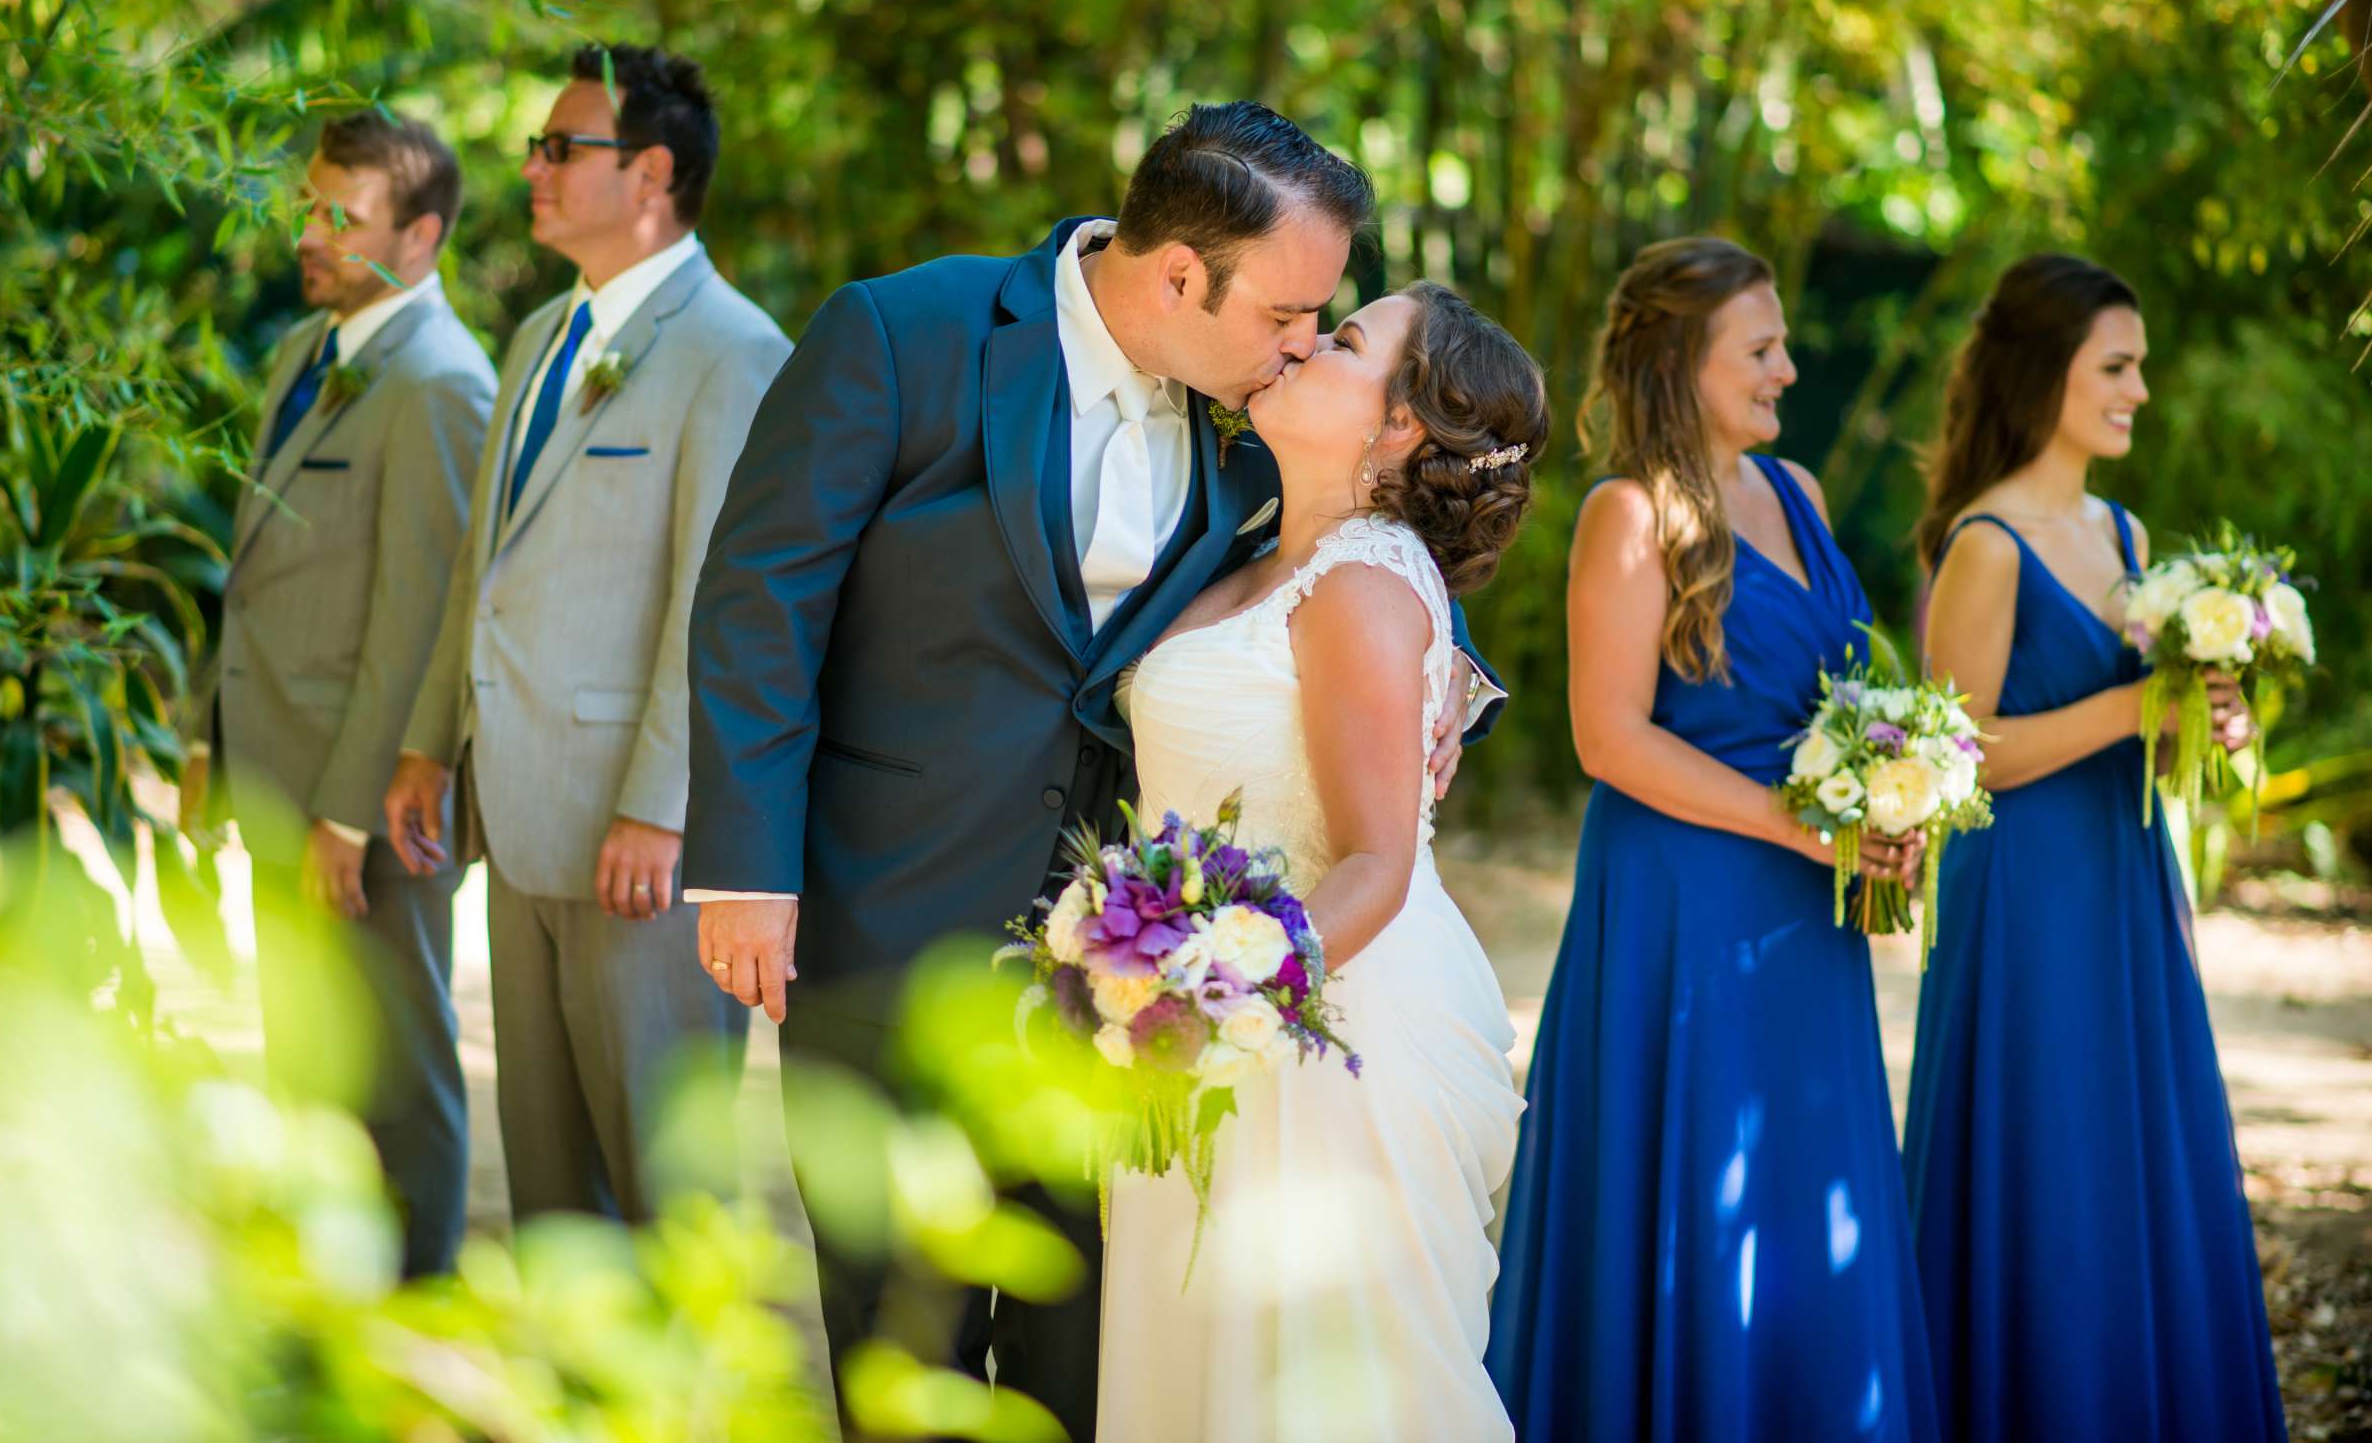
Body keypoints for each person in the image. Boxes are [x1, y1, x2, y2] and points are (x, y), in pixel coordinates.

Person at [684, 102, 1504, 1439]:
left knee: (1095, 1357)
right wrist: (744, 867)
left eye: (1325, 323)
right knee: (905, 1347)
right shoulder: (907, 336)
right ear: (1181, 275)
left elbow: (1365, 539)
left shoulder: (1260, 414)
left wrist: (1442, 689)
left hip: (1131, 979)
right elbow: (760, 598)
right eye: (1290, 312)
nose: (1305, 343)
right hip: (890, 913)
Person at [1486, 237, 1938, 1441]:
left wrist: (1890, 795)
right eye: (1763, 347)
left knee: (1805, 1181)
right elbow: (1608, 737)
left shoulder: (1802, 498)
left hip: (1807, 912)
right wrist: (1800, 824)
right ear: (1682, 362)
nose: (1789, 368)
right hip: (1682, 907)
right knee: (1690, 1190)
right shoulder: (1626, 515)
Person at [1096, 281, 1545, 1441]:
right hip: (1219, 1020)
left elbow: (1377, 864)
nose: (1300, 342)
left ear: (1400, 424)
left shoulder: (1360, 580)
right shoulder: (1250, 545)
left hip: (1321, 1037)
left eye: (1341, 340)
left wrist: (1196, 1005)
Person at [383, 44, 791, 1224]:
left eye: (562, 146)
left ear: (651, 172)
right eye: (535, 146)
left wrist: (660, 802)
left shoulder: (735, 352)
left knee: (671, 1183)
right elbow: (483, 569)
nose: (533, 168)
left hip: (637, 841)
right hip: (517, 819)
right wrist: (427, 744)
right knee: (554, 1179)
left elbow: (719, 599)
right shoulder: (530, 343)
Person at [1901, 253, 2284, 1441]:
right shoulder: (1987, 543)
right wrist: (2133, 707)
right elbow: (1956, 756)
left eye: (2139, 368)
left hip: (2126, 882)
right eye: (2116, 367)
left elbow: (2146, 748)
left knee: (2127, 1162)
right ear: (2045, 373)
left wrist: (2205, 723)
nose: (2139, 391)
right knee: (2046, 1158)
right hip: (2023, 901)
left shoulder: (2121, 528)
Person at [184, 107, 493, 1278]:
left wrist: (353, 809)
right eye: (306, 206)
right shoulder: (306, 352)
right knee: (307, 1063)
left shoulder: (440, 383)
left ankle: (418, 1316)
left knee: (398, 1073)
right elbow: (262, 567)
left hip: (359, 807)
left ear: (418, 237)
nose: (307, 233)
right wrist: (209, 731)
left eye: (339, 216)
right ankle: (327, 1310)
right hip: (278, 771)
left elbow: (422, 619)